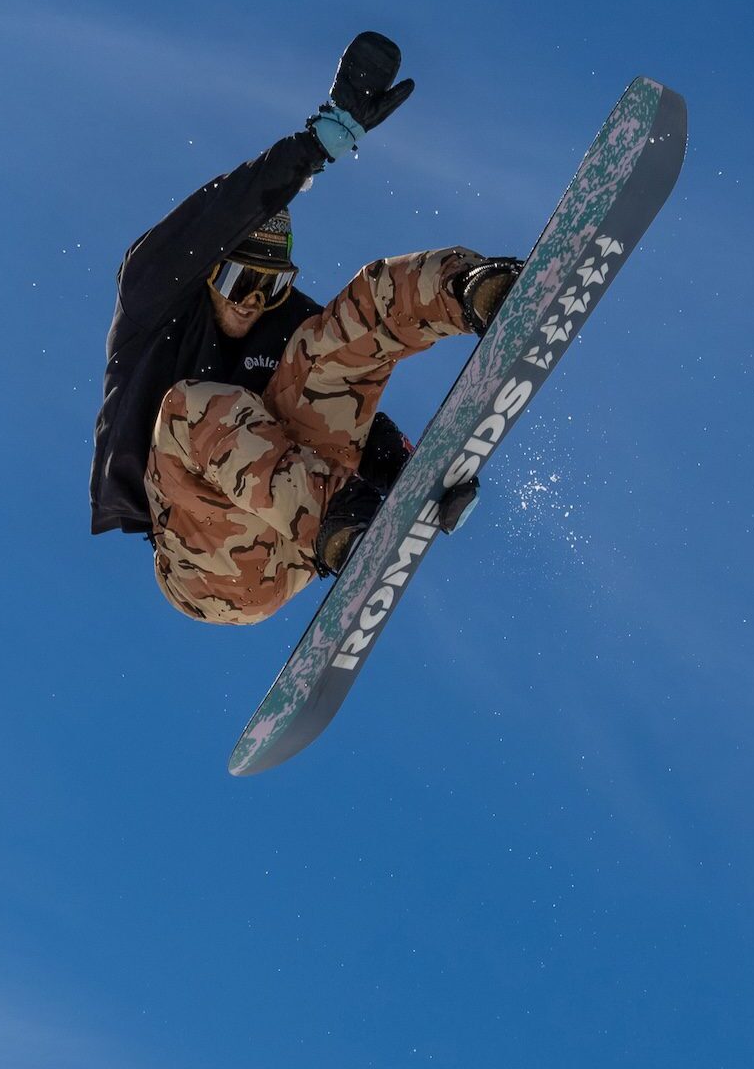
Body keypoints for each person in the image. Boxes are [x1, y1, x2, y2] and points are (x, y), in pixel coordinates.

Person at [89, 32, 523, 626]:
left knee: (357, 310)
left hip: (303, 527)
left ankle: (481, 292)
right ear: (208, 269)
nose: (253, 303)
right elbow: (217, 213)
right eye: (240, 281)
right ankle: (341, 522)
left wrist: (416, 480)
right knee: (192, 408)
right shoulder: (154, 299)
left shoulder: (283, 323)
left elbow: (341, 388)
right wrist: (315, 144)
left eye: (271, 287)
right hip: (206, 561)